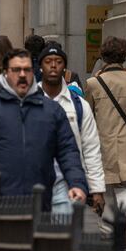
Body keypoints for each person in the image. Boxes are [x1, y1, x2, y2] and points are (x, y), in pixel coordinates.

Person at [0, 48, 88, 209]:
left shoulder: (51, 110)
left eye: (27, 70)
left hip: (41, 202)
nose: (22, 75)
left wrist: (76, 183)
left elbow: (68, 150)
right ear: (5, 73)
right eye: (16, 70)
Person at [84, 36, 126, 247]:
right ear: (124, 56)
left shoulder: (93, 83)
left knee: (106, 189)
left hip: (102, 144)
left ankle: (107, 230)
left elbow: (87, 111)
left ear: (103, 56)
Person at [37, 44, 106, 215]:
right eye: (48, 61)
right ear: (40, 66)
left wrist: (96, 189)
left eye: (58, 61)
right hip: (33, 184)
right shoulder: (27, 102)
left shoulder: (79, 106)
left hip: (68, 186)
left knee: (63, 237)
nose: (53, 65)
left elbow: (91, 148)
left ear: (65, 68)